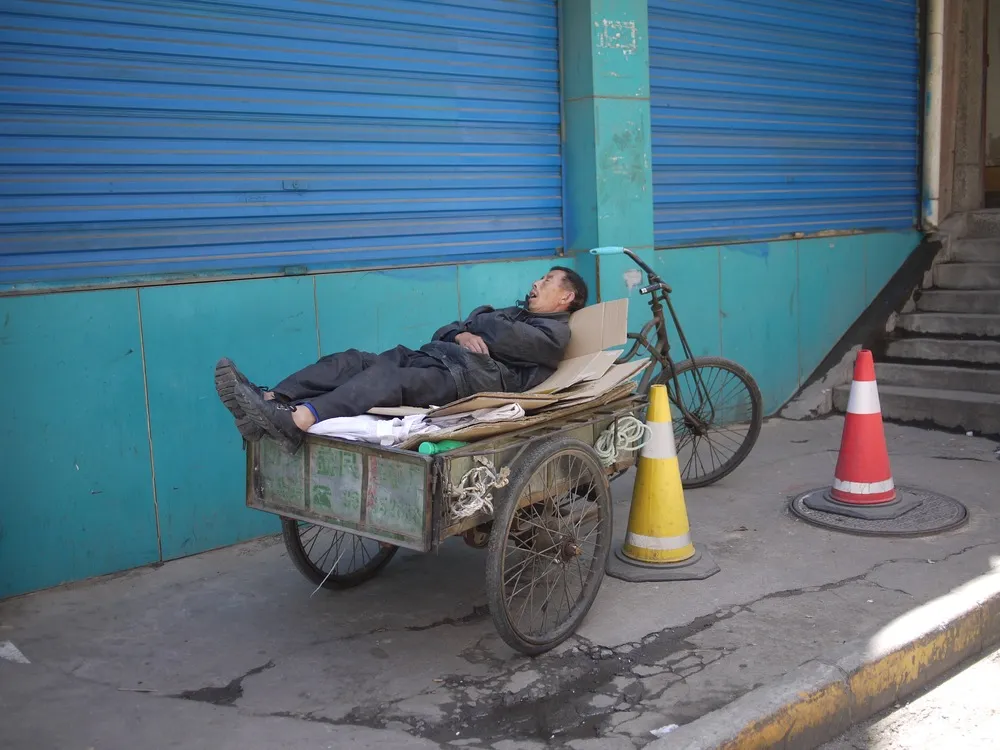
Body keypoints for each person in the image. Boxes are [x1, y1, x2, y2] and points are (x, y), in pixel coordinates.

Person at [215, 266, 588, 453]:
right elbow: (450, 327)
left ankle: (297, 420)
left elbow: (493, 329)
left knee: (387, 380)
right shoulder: (513, 314)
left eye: (547, 280)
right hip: (437, 356)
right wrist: (461, 332)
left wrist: (475, 322)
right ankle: (269, 402)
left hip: (462, 380)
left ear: (565, 298)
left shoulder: (553, 335)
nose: (536, 284)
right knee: (353, 360)